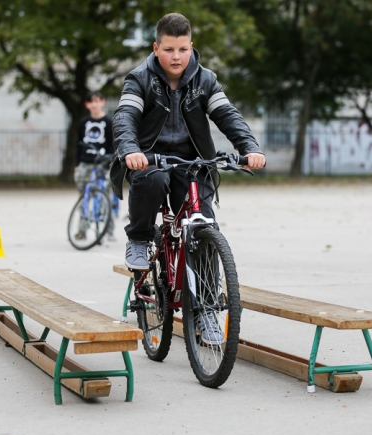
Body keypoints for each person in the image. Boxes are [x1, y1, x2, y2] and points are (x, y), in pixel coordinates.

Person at [111, 13, 266, 271]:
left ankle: (205, 302)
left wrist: (249, 147)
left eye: (183, 49)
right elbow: (125, 117)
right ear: (156, 48)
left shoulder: (206, 80)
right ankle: (138, 239)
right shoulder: (139, 79)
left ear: (191, 47)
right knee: (154, 179)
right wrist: (130, 150)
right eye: (169, 49)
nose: (176, 57)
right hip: (149, 158)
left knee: (202, 224)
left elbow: (228, 115)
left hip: (193, 159)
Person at [74, 91, 115, 240]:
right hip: (85, 163)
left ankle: (109, 229)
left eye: (97, 101)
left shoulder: (109, 122)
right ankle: (82, 230)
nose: (94, 104)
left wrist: (109, 165)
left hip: (102, 163)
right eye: (91, 101)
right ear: (87, 104)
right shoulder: (83, 122)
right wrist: (77, 164)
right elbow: (78, 144)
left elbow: (112, 145)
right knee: (83, 197)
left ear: (102, 102)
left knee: (105, 195)